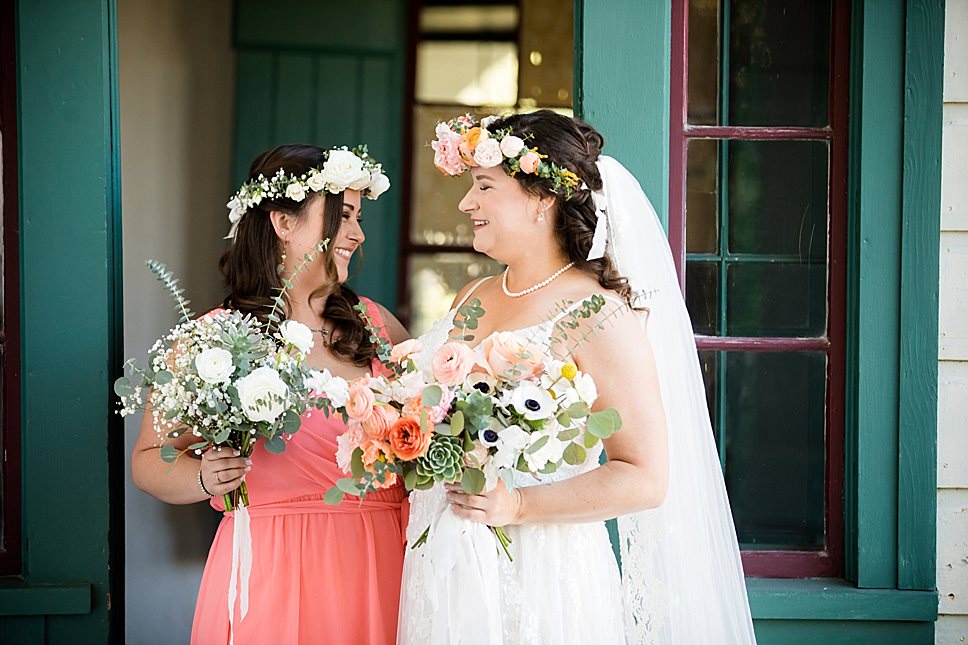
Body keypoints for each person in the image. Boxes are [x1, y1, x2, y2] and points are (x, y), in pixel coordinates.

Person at [399, 111, 756, 644]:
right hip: (449, 574)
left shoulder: (597, 314)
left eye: (484, 187)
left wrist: (518, 504)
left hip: (544, 577)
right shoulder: (472, 299)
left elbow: (645, 476)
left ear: (542, 198)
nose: (466, 203)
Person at [131, 143, 409, 644]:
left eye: (359, 217)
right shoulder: (215, 341)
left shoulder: (378, 326)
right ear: (283, 222)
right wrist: (204, 475)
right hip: (278, 570)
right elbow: (150, 462)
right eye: (343, 216)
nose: (358, 233)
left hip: (387, 561)